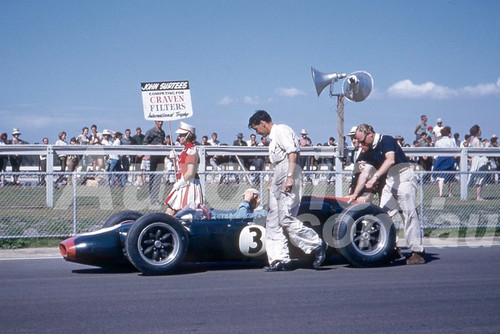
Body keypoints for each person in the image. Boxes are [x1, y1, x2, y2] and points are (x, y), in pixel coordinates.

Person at [248, 110, 326, 271]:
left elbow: (292, 154)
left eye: (257, 129)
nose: (257, 132)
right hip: (279, 173)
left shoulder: (282, 130)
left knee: (285, 218)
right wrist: (274, 178)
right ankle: (279, 259)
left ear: (263, 123)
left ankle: (316, 244)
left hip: (288, 171)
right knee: (272, 220)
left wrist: (289, 176)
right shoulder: (272, 139)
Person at [347, 123, 425, 265]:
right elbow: (364, 174)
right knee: (382, 215)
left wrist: (375, 177)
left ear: (370, 133)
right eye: (359, 142)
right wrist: (354, 194)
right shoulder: (368, 150)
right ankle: (392, 248)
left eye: (362, 141)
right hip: (390, 181)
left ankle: (417, 252)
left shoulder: (386, 140)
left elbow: (391, 160)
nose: (361, 144)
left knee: (408, 213)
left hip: (404, 177)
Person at [164, 121, 203, 216]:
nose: (179, 137)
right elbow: (182, 168)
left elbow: (190, 172)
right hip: (183, 183)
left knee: (183, 213)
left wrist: (180, 183)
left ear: (188, 136)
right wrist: (174, 158)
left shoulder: (192, 150)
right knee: (171, 210)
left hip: (188, 185)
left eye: (181, 135)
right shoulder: (185, 150)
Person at [175, 188, 266, 220]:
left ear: (257, 198)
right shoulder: (247, 209)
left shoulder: (260, 212)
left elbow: (241, 217)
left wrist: (246, 201)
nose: (246, 200)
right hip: (213, 215)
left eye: (250, 198)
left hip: (217, 220)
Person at [144, 121, 166, 205]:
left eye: (161, 121)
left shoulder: (163, 132)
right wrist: (155, 147)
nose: (160, 123)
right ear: (155, 122)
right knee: (153, 177)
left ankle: (156, 198)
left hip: (161, 157)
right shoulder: (150, 131)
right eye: (158, 121)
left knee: (158, 178)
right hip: (153, 156)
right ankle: (152, 198)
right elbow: (145, 143)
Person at [433, 126, 457, 197]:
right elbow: (455, 150)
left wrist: (436, 159)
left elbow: (435, 152)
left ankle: (440, 193)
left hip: (441, 159)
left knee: (440, 177)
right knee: (451, 177)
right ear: (448, 133)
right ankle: (450, 193)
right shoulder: (451, 141)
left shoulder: (438, 141)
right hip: (450, 159)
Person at [467, 124, 489, 201]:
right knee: (480, 178)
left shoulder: (473, 140)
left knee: (479, 178)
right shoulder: (476, 140)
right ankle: (478, 196)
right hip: (479, 161)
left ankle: (478, 196)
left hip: (476, 160)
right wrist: (486, 146)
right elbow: (480, 152)